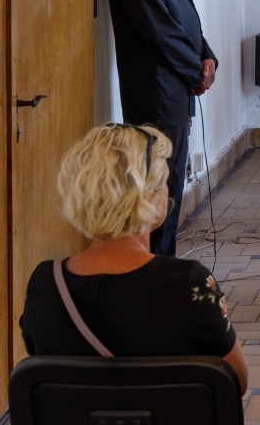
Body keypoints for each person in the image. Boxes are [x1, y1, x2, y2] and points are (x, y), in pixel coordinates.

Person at [20, 124, 247, 392]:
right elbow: (236, 381)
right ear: (148, 196)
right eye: (164, 183)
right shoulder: (189, 283)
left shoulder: (45, 285)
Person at [106, 0, 217, 256]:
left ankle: (163, 267)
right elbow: (160, 30)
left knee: (168, 191)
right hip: (156, 97)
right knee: (158, 195)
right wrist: (195, 71)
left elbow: (182, 18)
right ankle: (155, 271)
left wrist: (206, 55)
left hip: (172, 91)